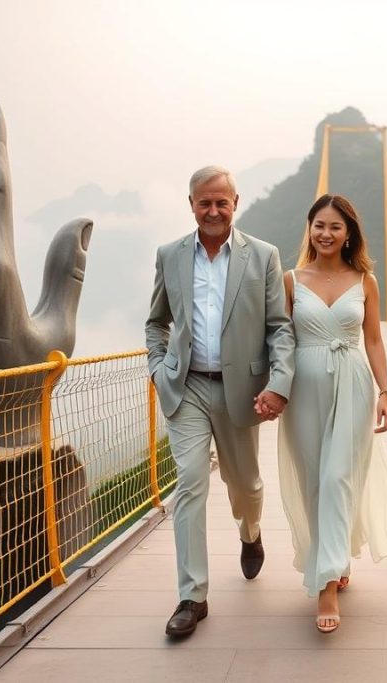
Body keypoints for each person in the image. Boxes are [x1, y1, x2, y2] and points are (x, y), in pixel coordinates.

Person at [145, 166, 295, 639]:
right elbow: (156, 322)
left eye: (221, 202)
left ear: (235, 202)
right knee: (189, 483)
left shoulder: (264, 256)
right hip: (185, 386)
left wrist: (279, 383)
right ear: (191, 204)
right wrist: (157, 368)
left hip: (243, 391)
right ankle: (193, 596)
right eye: (204, 202)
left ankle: (250, 533)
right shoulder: (169, 255)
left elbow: (279, 327)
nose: (213, 211)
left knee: (245, 484)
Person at [278, 194, 387, 634]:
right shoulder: (290, 280)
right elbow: (279, 342)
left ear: (349, 232)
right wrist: (269, 390)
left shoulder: (366, 280)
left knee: (339, 477)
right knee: (315, 480)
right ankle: (334, 559)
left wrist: (386, 392)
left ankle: (326, 587)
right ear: (309, 228)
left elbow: (374, 340)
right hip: (302, 391)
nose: (326, 233)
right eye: (319, 224)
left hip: (353, 384)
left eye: (336, 226)